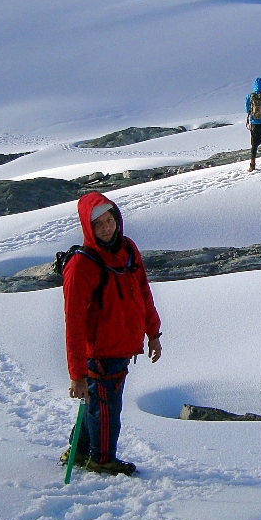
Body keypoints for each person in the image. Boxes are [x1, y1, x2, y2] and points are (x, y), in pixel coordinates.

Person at [62, 192, 162, 475]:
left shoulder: (127, 249)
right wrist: (77, 373)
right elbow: (74, 324)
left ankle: (79, 450)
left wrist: (153, 332)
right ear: (87, 228)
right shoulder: (81, 266)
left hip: (123, 345)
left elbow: (143, 291)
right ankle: (101, 459)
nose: (107, 228)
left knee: (98, 403)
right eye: (99, 224)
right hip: (100, 352)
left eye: (110, 220)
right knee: (106, 410)